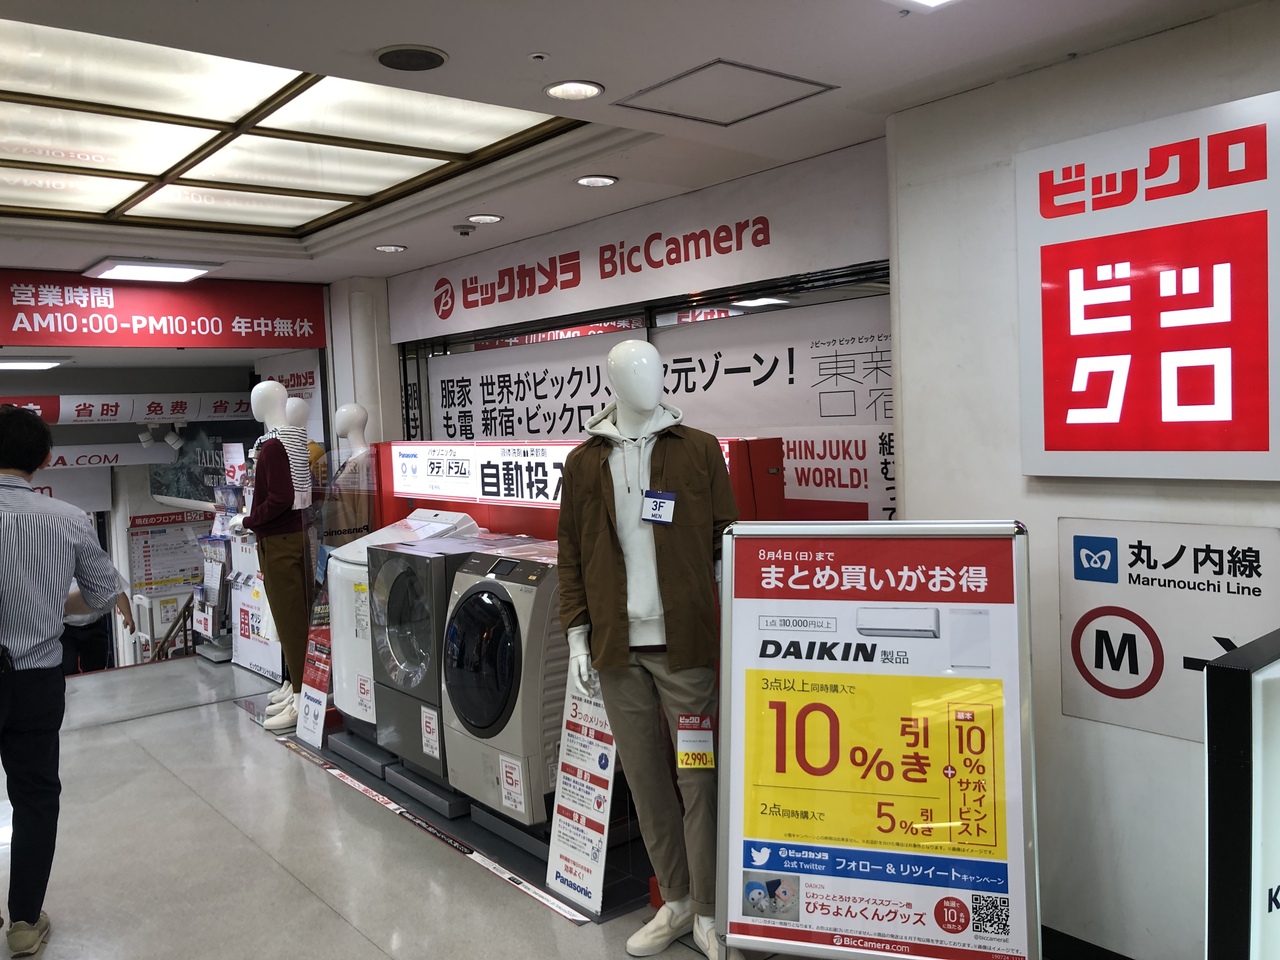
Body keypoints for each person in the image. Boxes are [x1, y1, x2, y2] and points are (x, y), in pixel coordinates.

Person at [558, 341, 742, 960]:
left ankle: (710, 908)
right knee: (644, 779)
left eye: (656, 370)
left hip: (684, 647)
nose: (649, 380)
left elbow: (726, 542)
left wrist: (735, 625)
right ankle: (678, 899)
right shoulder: (585, 462)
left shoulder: (699, 450)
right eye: (634, 371)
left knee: (699, 778)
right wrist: (577, 635)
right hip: (616, 650)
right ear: (612, 381)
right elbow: (571, 556)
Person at [0, 404, 121, 956]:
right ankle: (25, 923)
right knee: (34, 797)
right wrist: (50, 602)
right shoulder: (68, 519)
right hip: (34, 679)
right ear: (45, 460)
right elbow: (101, 594)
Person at [60, 578, 135, 675]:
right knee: (68, 668)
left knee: (96, 668)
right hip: (66, 629)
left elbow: (117, 592)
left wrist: (128, 615)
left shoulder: (100, 570)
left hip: (95, 627)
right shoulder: (58, 574)